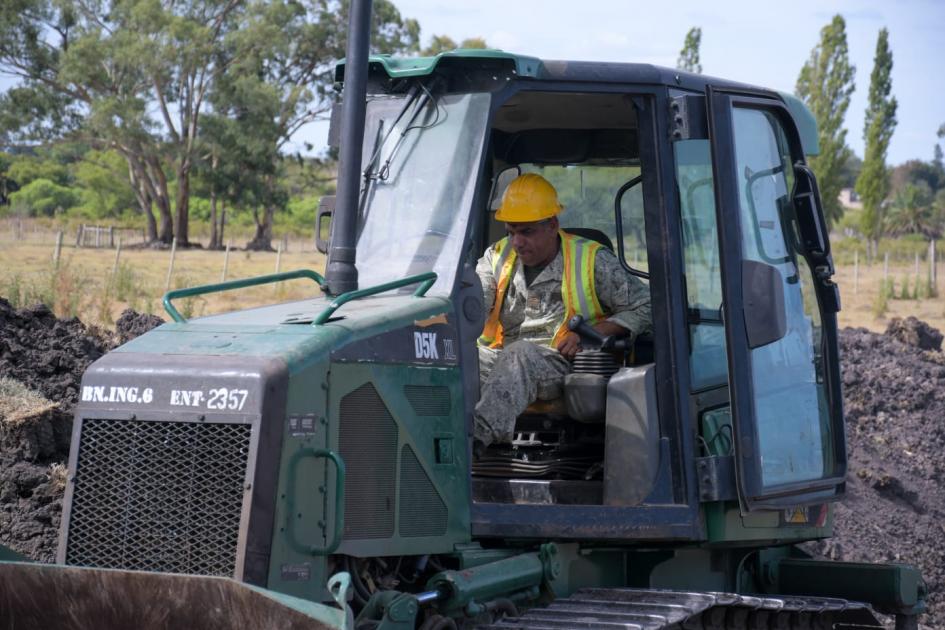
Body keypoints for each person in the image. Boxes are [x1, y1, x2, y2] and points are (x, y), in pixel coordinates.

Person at [474, 173, 652, 449]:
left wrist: (595, 332)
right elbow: (473, 302)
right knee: (457, 357)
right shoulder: (495, 258)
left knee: (520, 354)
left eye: (527, 231)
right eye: (511, 232)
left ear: (552, 225)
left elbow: (647, 305)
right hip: (500, 358)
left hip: (560, 362)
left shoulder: (591, 260)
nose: (517, 242)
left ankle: (473, 443)